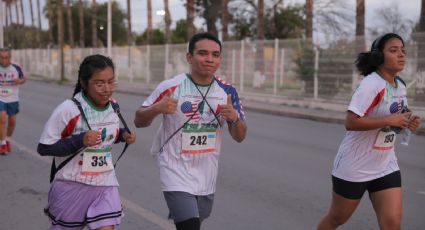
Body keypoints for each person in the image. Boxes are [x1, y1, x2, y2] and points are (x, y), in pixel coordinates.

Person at [134, 32, 247, 230]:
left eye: (215, 54)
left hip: (206, 174)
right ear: (189, 57)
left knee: (194, 222)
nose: (209, 59)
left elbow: (240, 136)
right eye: (203, 53)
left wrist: (234, 118)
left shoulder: (228, 92)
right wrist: (157, 108)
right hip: (174, 169)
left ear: (220, 59)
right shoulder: (171, 86)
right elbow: (139, 120)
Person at [317, 33, 421, 230]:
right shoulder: (371, 85)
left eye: (403, 51)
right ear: (379, 57)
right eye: (393, 50)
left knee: (392, 223)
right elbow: (351, 122)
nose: (401, 55)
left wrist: (407, 120)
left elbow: (397, 115)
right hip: (355, 165)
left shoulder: (400, 85)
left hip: (385, 163)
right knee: (337, 218)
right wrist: (389, 119)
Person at [37, 54, 136, 230]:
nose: (107, 89)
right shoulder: (68, 110)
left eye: (111, 82)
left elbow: (106, 134)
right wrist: (79, 140)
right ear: (84, 83)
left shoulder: (113, 105)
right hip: (72, 186)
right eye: (99, 83)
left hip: (105, 184)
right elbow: (44, 147)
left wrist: (122, 135)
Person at [0, 48, 26, 155]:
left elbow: (24, 78)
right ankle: (2, 144)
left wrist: (19, 81)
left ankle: (7, 139)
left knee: (12, 122)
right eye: (1, 57)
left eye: (6, 57)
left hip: (13, 98)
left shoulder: (16, 67)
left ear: (10, 58)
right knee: (2, 120)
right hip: (0, 98)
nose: (4, 60)